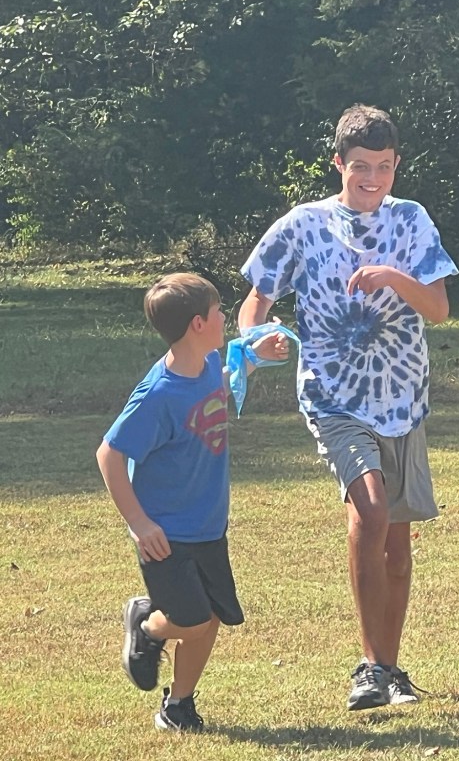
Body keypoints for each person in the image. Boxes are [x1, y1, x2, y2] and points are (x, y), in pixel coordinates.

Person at [238, 103, 458, 711]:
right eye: (361, 166)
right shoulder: (303, 224)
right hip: (333, 396)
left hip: (403, 397)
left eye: (384, 167)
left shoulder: (412, 220)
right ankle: (369, 668)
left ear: (396, 165)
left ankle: (389, 669)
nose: (372, 179)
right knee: (370, 509)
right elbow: (256, 301)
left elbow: (438, 309)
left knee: (398, 549)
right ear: (338, 163)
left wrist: (392, 277)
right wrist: (258, 341)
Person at [96, 272, 288, 731]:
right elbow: (109, 454)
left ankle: (179, 705)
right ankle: (147, 624)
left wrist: (255, 358)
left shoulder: (205, 364)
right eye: (219, 311)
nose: (225, 317)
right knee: (193, 620)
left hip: (208, 524)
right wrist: (140, 523)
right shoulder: (158, 395)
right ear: (199, 324)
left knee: (212, 617)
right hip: (166, 533)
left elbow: (218, 387)